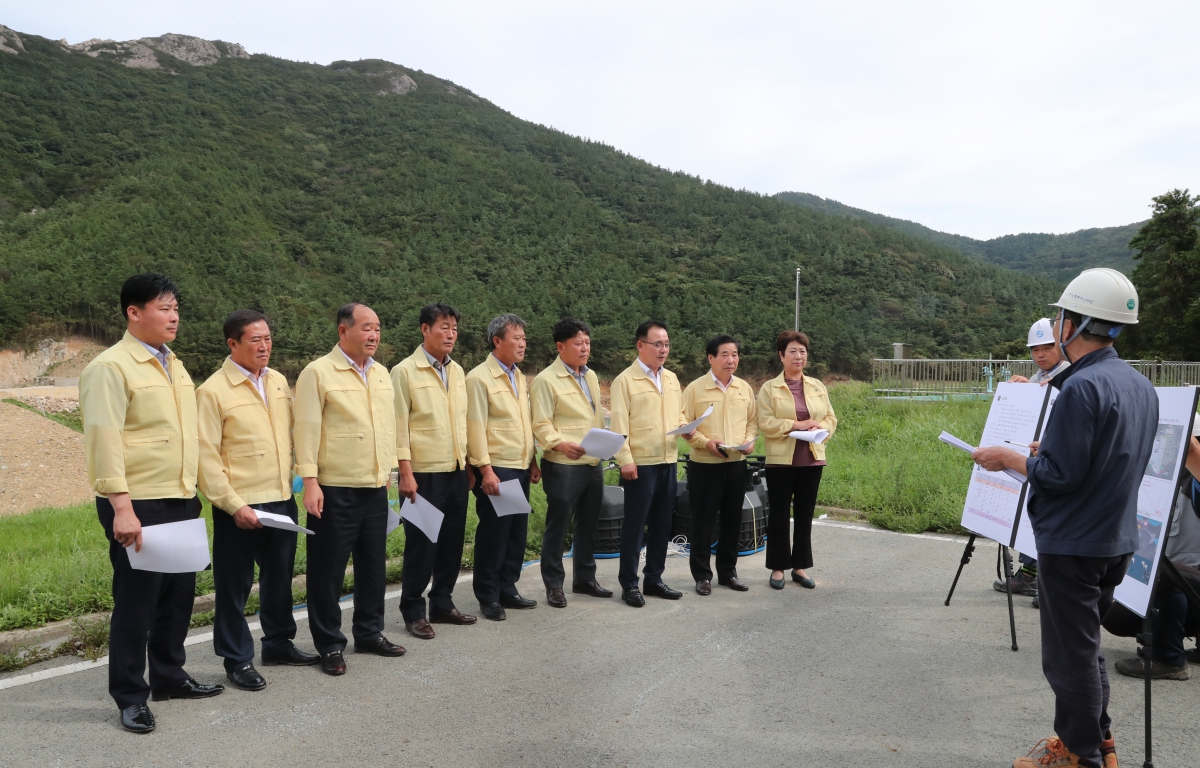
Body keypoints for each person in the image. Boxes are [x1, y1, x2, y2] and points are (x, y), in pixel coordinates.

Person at [971, 268, 1157, 768]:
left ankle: (1083, 756)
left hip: (1073, 544)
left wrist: (1010, 458)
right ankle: (1100, 743)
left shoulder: (1080, 388)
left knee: (1067, 658)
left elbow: (1060, 476)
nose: (1056, 325)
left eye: (1060, 317)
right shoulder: (1140, 386)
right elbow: (1107, 459)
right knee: (1085, 646)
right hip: (1115, 540)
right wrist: (1048, 450)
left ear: (1074, 323)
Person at [80, 273, 224, 734]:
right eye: (164, 307)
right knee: (136, 602)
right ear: (134, 313)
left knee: (179, 597)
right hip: (138, 502)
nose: (174, 315)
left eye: (176, 307)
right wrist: (121, 507)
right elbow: (104, 440)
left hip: (180, 499)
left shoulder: (174, 365)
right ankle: (129, 695)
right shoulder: (111, 367)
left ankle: (169, 675)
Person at [197, 310, 318, 692]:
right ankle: (236, 659)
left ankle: (279, 644)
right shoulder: (213, 391)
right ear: (232, 344)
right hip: (241, 506)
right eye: (255, 339)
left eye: (267, 338)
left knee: (279, 578)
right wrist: (234, 506)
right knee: (234, 586)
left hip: (281, 499)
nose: (264, 346)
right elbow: (206, 458)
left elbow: (294, 435)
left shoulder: (280, 382)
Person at [295, 303, 405, 676]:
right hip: (333, 488)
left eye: (377, 328)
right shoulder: (318, 373)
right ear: (343, 331)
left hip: (375, 486)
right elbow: (306, 431)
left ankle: (370, 632)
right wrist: (310, 482)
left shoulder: (382, 374)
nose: (373, 335)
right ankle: (328, 643)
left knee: (373, 566)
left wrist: (391, 473)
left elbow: (389, 427)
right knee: (328, 571)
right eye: (366, 328)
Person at [393, 303, 477, 638]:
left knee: (452, 542)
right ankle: (413, 610)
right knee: (422, 544)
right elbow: (398, 426)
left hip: (455, 470)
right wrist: (405, 472)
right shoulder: (404, 372)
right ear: (424, 329)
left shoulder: (457, 371)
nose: (451, 334)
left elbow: (463, 422)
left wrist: (468, 464)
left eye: (454, 328)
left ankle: (442, 602)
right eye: (444, 327)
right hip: (423, 474)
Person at [530, 318, 613, 608]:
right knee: (559, 524)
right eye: (578, 343)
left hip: (592, 461)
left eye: (587, 342)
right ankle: (553, 585)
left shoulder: (590, 376)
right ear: (560, 346)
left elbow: (596, 417)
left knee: (589, 524)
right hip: (564, 463)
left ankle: (585, 579)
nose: (585, 348)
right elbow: (540, 424)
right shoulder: (545, 380)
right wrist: (561, 444)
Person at [610, 320, 692, 607]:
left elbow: (679, 414)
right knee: (635, 526)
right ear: (640, 345)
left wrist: (687, 427)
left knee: (662, 524)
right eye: (657, 344)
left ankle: (654, 579)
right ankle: (629, 584)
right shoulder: (625, 381)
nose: (663, 349)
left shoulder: (670, 379)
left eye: (667, 344)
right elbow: (619, 427)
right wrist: (626, 460)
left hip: (668, 460)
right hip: (640, 465)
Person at [466, 314, 542, 621]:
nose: (523, 343)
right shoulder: (479, 378)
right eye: (517, 338)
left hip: (520, 465)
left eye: (524, 338)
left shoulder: (519, 376)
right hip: (497, 468)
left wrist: (533, 459)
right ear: (497, 341)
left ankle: (507, 587)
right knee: (494, 534)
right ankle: (488, 595)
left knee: (515, 533)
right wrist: (485, 470)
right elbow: (475, 428)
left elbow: (524, 423)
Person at [756, 330, 837, 591]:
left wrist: (820, 430)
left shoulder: (817, 386)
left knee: (804, 515)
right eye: (792, 351)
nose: (798, 356)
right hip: (781, 461)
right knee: (779, 515)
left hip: (812, 459)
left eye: (802, 351)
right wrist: (797, 424)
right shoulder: (770, 388)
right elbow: (766, 423)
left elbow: (830, 418)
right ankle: (778, 567)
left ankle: (800, 566)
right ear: (781, 355)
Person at [998, 318, 1071, 607]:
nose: (1040, 354)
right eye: (1035, 349)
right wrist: (1022, 390)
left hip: (1060, 462)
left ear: (1061, 345)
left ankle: (1050, 585)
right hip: (1035, 459)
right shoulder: (1039, 377)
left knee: (1055, 522)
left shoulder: (1070, 376)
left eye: (1047, 347)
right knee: (1036, 516)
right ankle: (1030, 574)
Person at [681, 335, 758, 595]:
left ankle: (728, 573)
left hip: (736, 463)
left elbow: (753, 421)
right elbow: (684, 424)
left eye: (735, 354)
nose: (731, 360)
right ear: (710, 358)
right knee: (702, 521)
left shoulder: (744, 388)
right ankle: (702, 575)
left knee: (732, 520)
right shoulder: (694, 389)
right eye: (724, 354)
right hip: (704, 464)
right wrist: (705, 442)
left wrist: (749, 441)